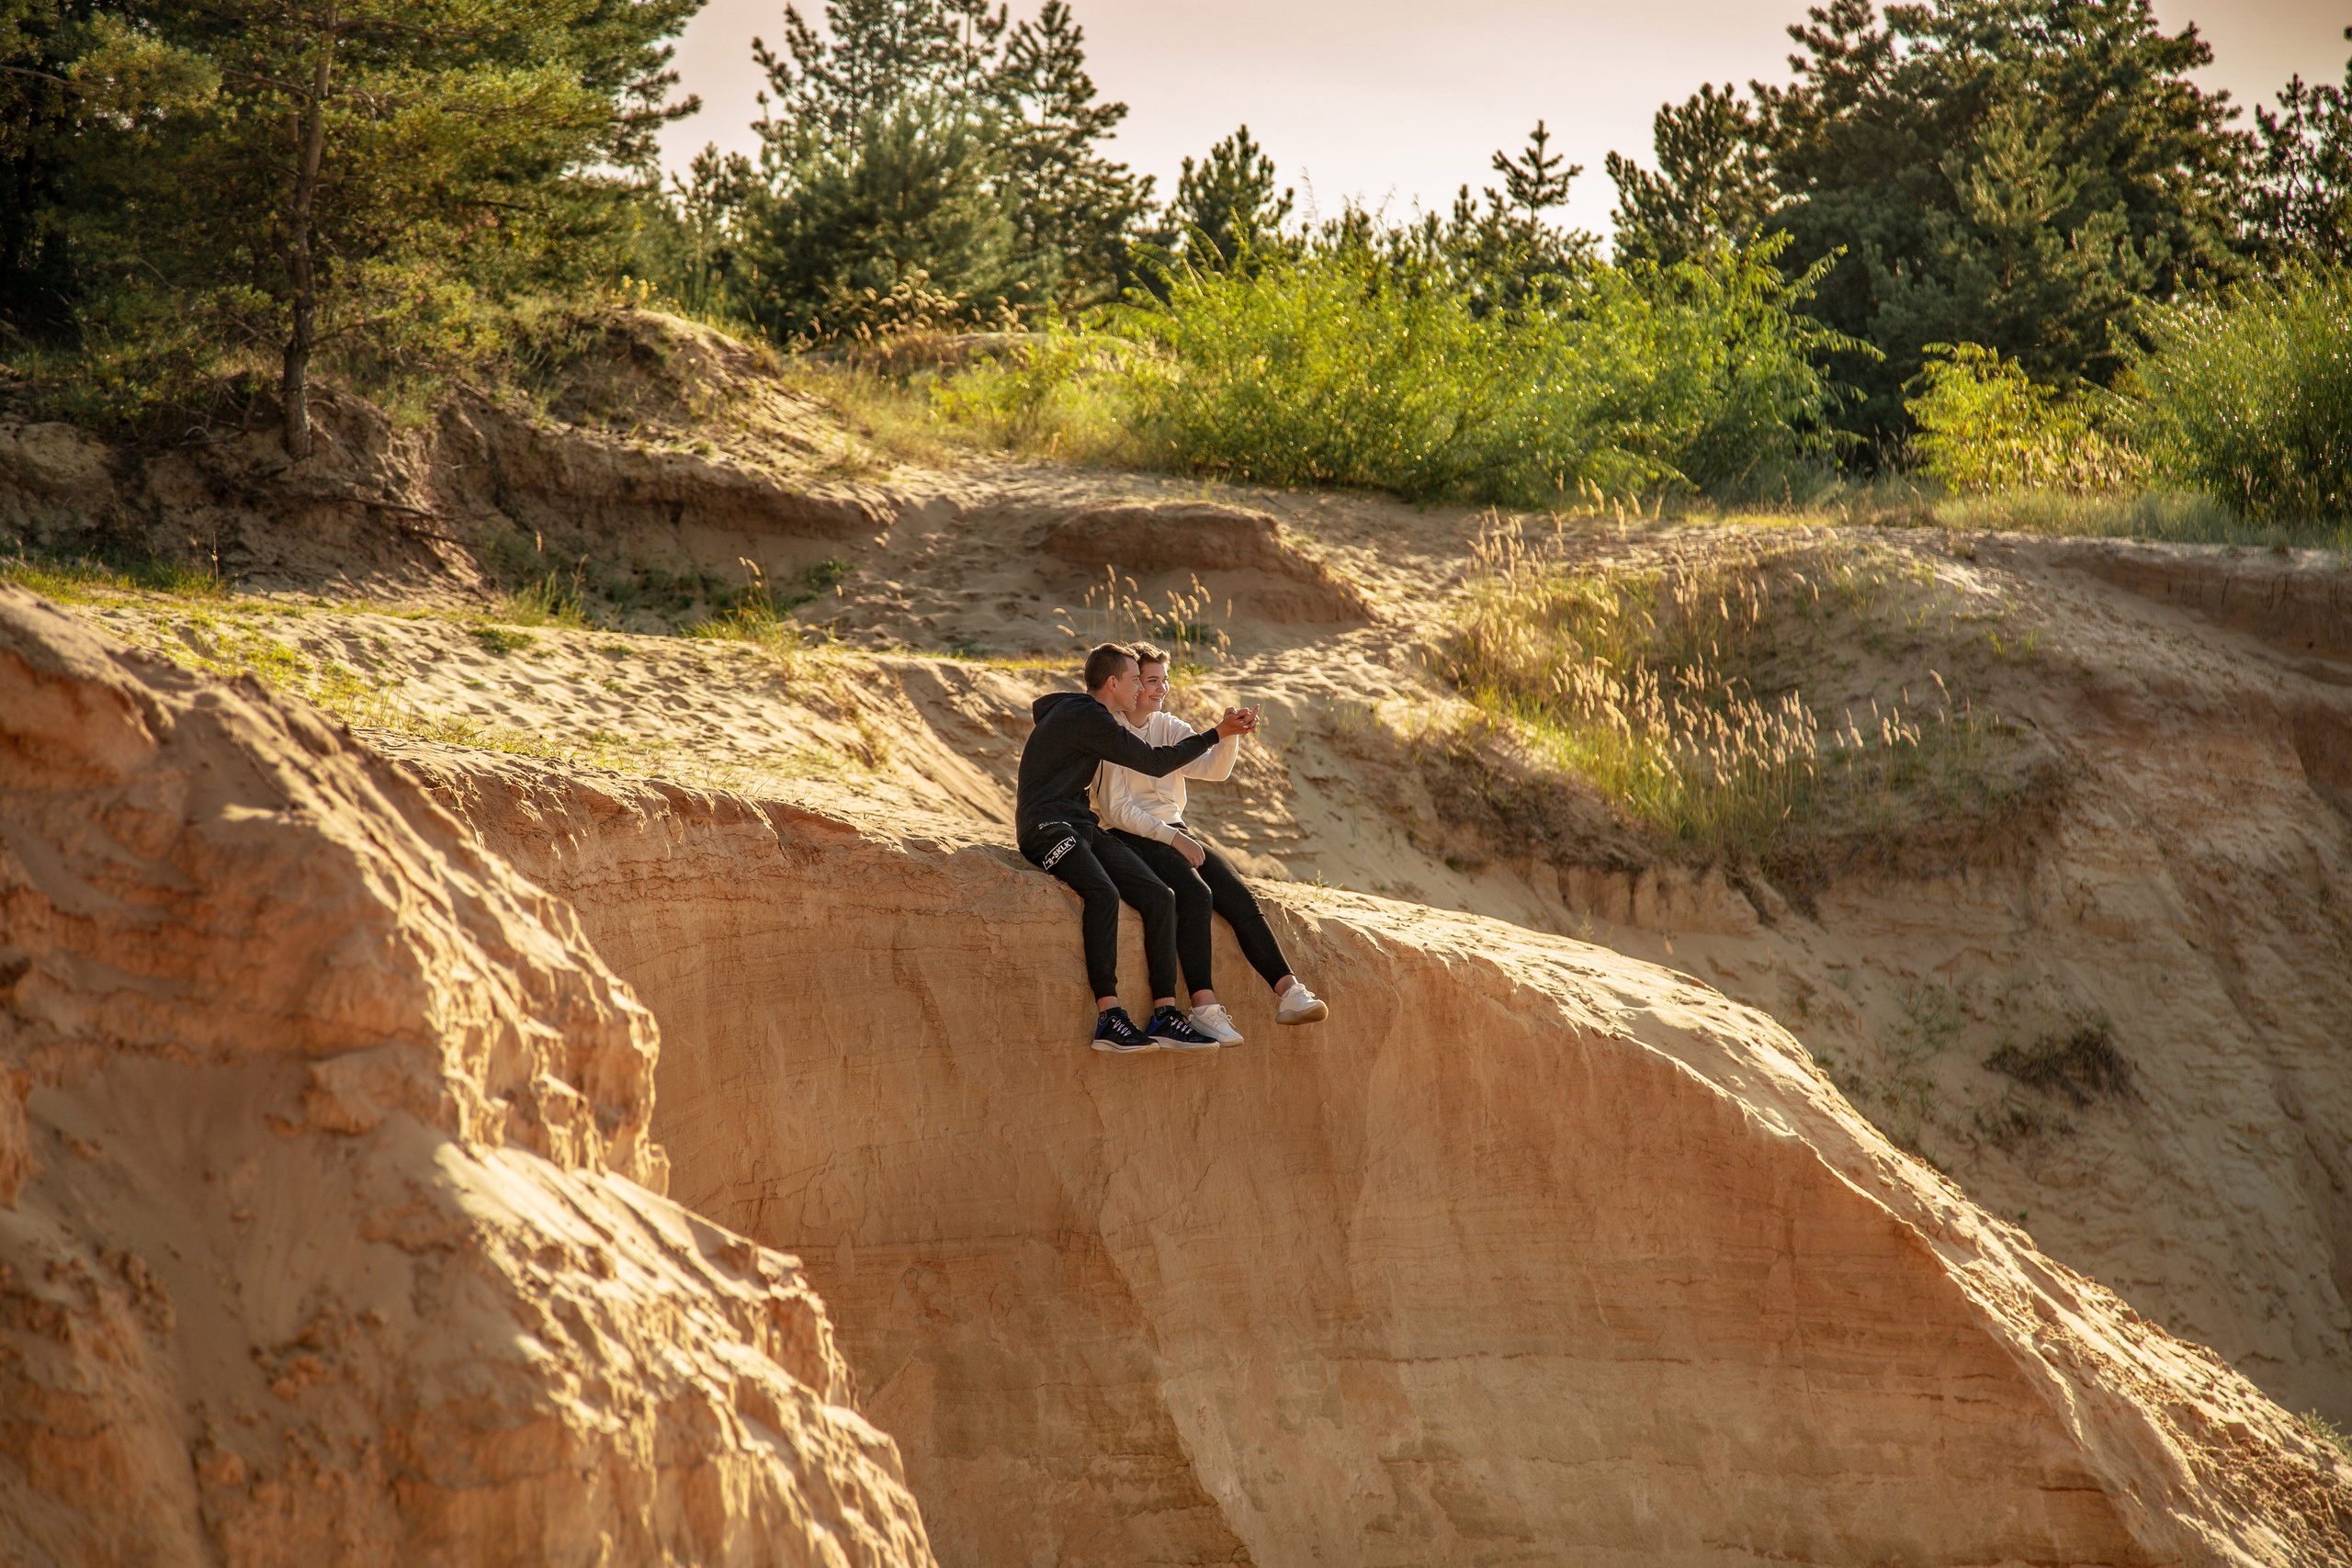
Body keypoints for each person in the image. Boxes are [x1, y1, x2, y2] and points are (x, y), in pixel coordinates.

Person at [1016, 642, 1259, 1054]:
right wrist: (1217, 733)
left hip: (1080, 824)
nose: (1140, 690)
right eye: (1135, 680)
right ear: (1112, 683)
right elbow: (1155, 761)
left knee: (1160, 896)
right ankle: (1110, 1017)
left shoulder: (1095, 716)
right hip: (1045, 827)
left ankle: (1165, 1014)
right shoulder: (1086, 714)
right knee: (1103, 892)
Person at [1091, 644, 1329, 1043]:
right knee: (1196, 894)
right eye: (1150, 681)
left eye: (1164, 680)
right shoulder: (1111, 730)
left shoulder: (1167, 724)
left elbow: (1213, 769)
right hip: (1129, 834)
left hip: (1174, 828)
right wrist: (1174, 840)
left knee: (1238, 897)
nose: (1159, 688)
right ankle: (1203, 1008)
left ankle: (1289, 992)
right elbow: (1116, 810)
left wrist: (1230, 734)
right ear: (1128, 683)